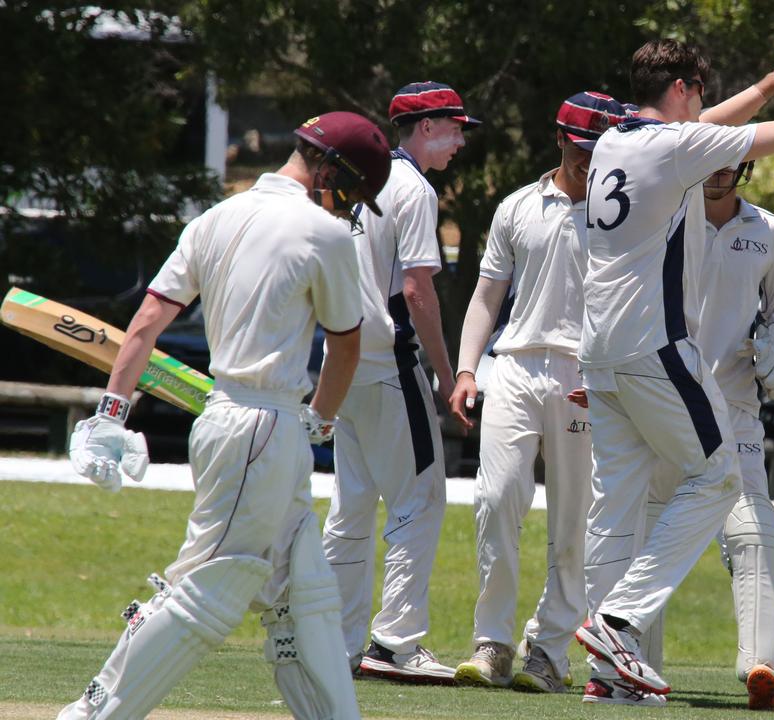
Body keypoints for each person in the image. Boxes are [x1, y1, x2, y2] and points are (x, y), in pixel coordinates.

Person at [571, 17, 774, 706]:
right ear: (681, 88)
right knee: (720, 480)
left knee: (614, 509)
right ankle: (618, 623)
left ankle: (607, 676)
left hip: (600, 353)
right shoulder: (676, 146)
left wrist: (773, 79)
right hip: (654, 346)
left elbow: (710, 124)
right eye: (697, 94)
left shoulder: (616, 140)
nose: (700, 106)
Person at [60, 111, 390, 719]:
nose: (351, 207)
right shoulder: (325, 234)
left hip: (224, 420)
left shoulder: (215, 217)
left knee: (304, 590)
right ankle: (90, 714)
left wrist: (112, 413)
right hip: (266, 428)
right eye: (352, 191)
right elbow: (346, 344)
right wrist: (320, 419)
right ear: (328, 169)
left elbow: (145, 323)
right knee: (208, 590)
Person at [446, 91, 627, 693]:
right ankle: (493, 642)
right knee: (496, 499)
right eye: (581, 151)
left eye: (600, 152)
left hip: (586, 375)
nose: (590, 163)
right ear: (559, 140)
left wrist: (608, 377)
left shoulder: (624, 208)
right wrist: (467, 369)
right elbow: (486, 296)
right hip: (516, 367)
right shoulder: (518, 206)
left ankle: (548, 651)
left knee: (573, 520)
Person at [320, 81, 479, 684]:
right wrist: (447, 375)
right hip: (390, 365)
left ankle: (335, 643)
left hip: (348, 363)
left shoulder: (366, 183)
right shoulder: (413, 187)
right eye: (456, 127)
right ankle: (396, 644)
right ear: (427, 126)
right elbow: (417, 290)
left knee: (352, 507)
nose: (460, 140)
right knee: (420, 500)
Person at [639, 160, 774, 711]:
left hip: (733, 405)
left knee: (752, 530)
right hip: (665, 396)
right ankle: (638, 665)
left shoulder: (767, 231)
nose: (717, 175)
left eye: (729, 167)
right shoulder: (664, 216)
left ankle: (762, 667)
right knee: (651, 531)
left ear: (745, 169)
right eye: (710, 164)